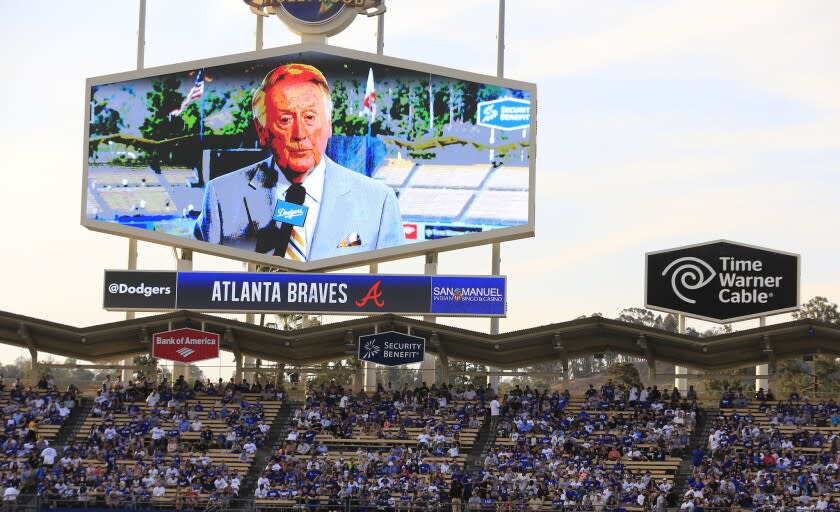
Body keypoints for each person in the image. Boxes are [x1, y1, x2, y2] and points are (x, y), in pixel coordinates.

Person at [194, 63, 404, 260]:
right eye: (285, 120)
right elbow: (197, 285)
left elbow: (395, 289)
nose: (299, 133)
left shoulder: (379, 202)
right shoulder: (221, 197)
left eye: (310, 117)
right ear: (262, 130)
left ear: (329, 125)